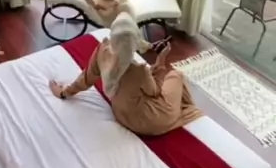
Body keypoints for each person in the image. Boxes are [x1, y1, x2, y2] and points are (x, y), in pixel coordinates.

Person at [49, 12, 202, 136]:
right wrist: (160, 63)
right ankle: (185, 110)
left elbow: (86, 79)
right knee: (176, 75)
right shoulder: (139, 71)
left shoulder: (102, 51)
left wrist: (64, 92)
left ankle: (180, 107)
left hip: (122, 115)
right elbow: (155, 92)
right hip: (149, 121)